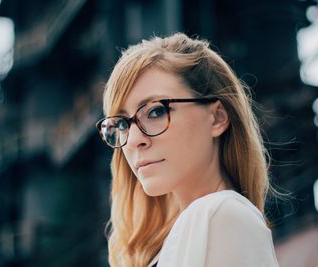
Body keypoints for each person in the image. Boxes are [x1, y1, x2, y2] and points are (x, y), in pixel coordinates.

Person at [96, 33, 280, 267]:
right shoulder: (187, 234)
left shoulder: (221, 216)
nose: (132, 140)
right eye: (122, 124)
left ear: (216, 118)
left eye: (155, 112)